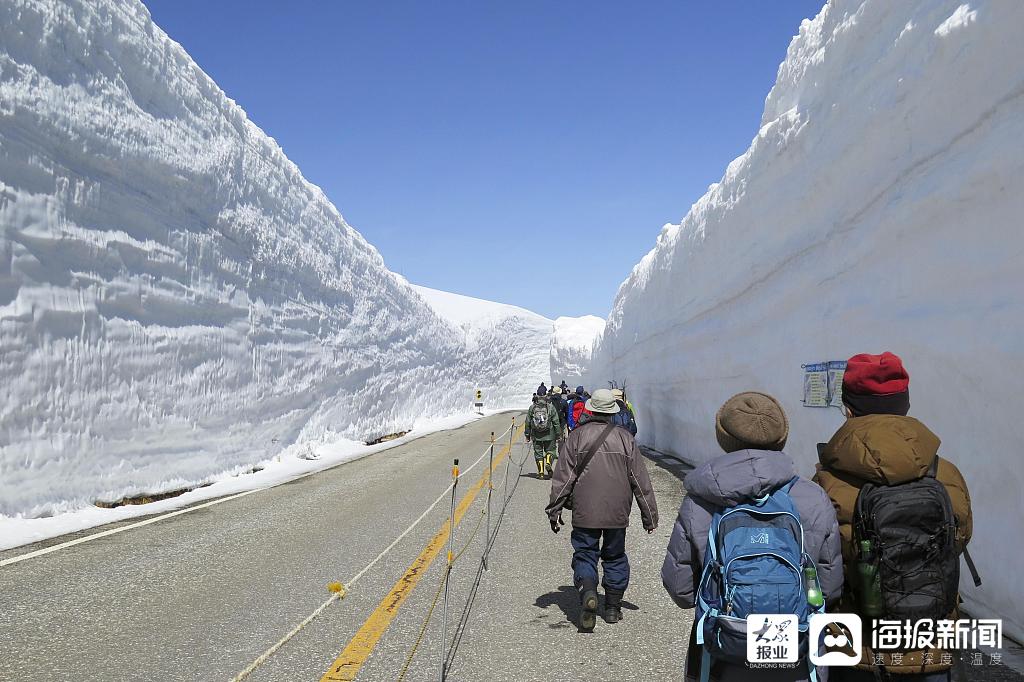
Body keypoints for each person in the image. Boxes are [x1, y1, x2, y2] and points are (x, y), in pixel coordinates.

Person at [813, 353, 974, 682]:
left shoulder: (826, 481)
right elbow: (958, 538)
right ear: (906, 405)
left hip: (855, 650)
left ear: (848, 408)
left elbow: (820, 561)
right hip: (931, 646)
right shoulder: (945, 473)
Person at [662, 392, 843, 682]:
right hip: (797, 649)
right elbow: (829, 587)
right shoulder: (812, 497)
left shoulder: (700, 501)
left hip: (722, 652)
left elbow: (681, 589)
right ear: (782, 437)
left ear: (724, 438)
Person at [546, 388, 658, 631]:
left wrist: (554, 510)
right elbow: (640, 481)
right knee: (615, 556)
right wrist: (649, 516)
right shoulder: (626, 438)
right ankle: (613, 608)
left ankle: (588, 592)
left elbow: (563, 478)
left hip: (585, 512)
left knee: (585, 553)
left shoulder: (576, 437)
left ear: (590, 409)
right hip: (618, 513)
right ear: (612, 412)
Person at [526, 390, 561, 479]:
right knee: (551, 451)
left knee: (538, 453)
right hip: (550, 434)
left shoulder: (532, 407)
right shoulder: (550, 407)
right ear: (546, 395)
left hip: (536, 435)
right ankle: (548, 462)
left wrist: (527, 435)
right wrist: (558, 434)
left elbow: (528, 422)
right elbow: (556, 422)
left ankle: (541, 473)